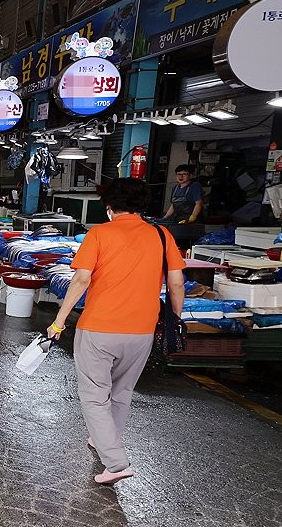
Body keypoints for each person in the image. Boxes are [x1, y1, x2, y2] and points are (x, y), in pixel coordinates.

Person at [46, 178, 186, 485]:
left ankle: (116, 462)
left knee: (95, 396)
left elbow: (81, 280)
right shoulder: (162, 236)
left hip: (99, 329)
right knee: (121, 392)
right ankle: (103, 439)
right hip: (142, 332)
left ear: (109, 207)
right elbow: (176, 283)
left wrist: (59, 320)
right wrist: (175, 319)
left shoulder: (99, 234)